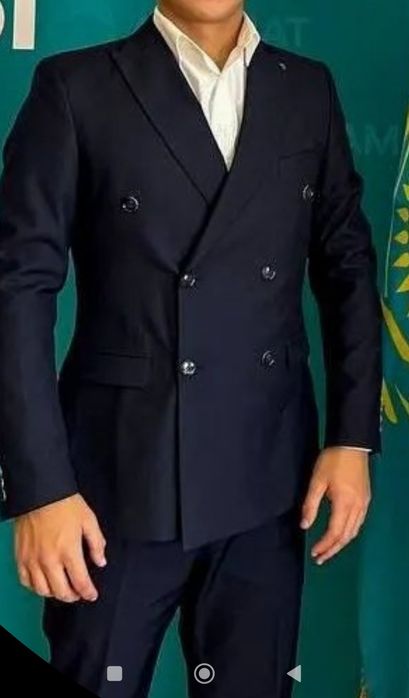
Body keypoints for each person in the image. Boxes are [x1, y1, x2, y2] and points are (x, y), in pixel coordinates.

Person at [0, 1, 382, 697]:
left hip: (266, 479)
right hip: (114, 485)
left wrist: (351, 438)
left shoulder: (306, 87)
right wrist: (41, 488)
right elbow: (17, 291)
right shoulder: (76, 85)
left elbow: (347, 267)